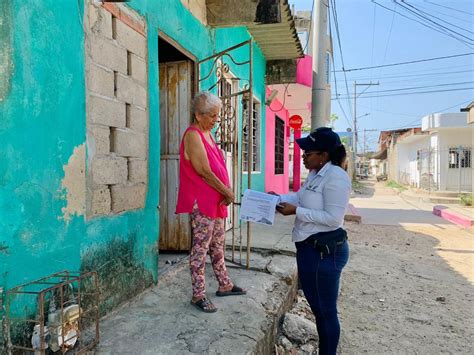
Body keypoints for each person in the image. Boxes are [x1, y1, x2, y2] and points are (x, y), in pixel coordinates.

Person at [275, 127, 351, 355]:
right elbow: (299, 198)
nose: (303, 156)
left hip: (324, 252)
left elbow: (333, 219)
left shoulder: (336, 177)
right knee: (318, 308)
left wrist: (296, 211)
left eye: (308, 153)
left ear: (324, 155)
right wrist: (276, 199)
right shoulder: (316, 173)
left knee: (325, 311)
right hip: (309, 249)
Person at [175, 91, 246, 313]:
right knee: (201, 248)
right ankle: (198, 295)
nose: (216, 120)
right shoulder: (193, 135)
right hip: (202, 202)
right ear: (198, 114)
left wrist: (225, 191)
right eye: (212, 116)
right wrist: (227, 190)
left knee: (217, 245)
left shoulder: (207, 133)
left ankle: (224, 284)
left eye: (218, 115)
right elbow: (204, 171)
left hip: (215, 201)